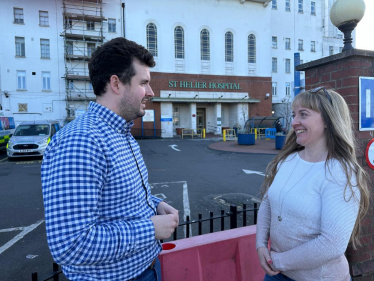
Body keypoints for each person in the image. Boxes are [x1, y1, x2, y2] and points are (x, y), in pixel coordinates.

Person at [41, 37, 179, 281]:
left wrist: (155, 203)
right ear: (116, 83)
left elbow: (117, 197)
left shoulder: (120, 132)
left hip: (145, 269)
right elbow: (71, 245)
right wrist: (151, 229)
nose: (150, 92)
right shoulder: (81, 142)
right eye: (144, 83)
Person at [256, 87, 370, 281]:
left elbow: (332, 244)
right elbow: (268, 202)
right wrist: (260, 245)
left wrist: (278, 261)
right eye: (294, 114)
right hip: (277, 274)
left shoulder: (339, 172)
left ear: (328, 120)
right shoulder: (288, 160)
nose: (294, 122)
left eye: (303, 114)